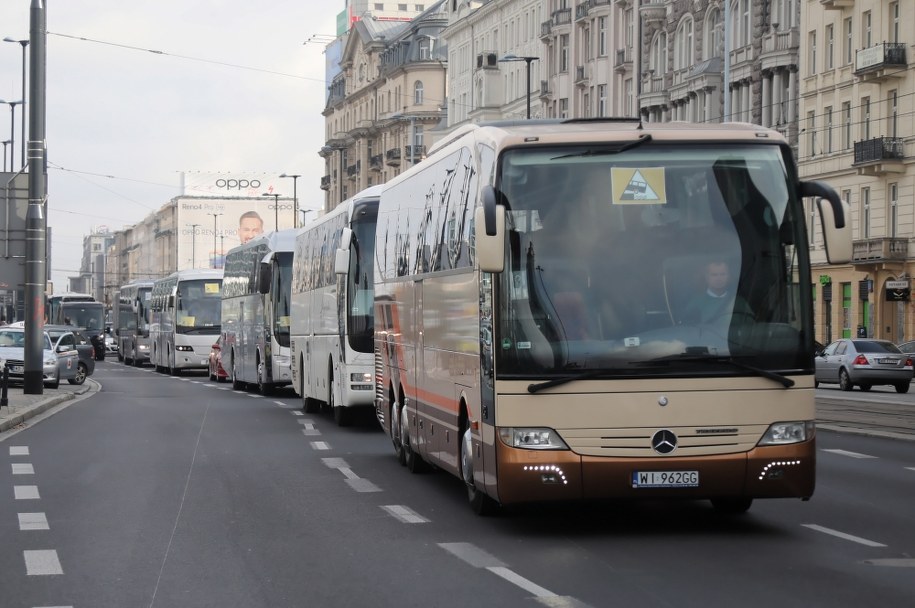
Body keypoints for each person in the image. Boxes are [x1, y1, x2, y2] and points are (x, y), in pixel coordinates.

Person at [682, 260, 752, 325]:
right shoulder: (696, 302)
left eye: (722, 274)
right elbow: (687, 329)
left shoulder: (739, 302)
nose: (719, 278)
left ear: (728, 277)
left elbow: (751, 328)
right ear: (706, 277)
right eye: (714, 275)